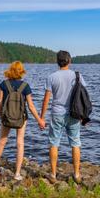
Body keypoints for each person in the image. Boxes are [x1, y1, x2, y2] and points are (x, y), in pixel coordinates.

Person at [0, 61, 45, 181]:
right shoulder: (25, 86)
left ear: (10, 70)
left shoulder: (3, 84)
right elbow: (30, 106)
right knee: (20, 143)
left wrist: (2, 117)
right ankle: (17, 173)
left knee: (2, 141)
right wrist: (39, 120)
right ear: (21, 72)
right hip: (21, 118)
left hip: (6, 117)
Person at [40, 51, 87, 184]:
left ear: (57, 62)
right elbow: (83, 97)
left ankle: (53, 175)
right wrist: (84, 116)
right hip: (74, 113)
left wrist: (41, 117)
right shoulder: (77, 76)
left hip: (57, 113)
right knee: (75, 142)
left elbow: (46, 100)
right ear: (69, 61)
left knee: (54, 143)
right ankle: (77, 174)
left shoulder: (52, 77)